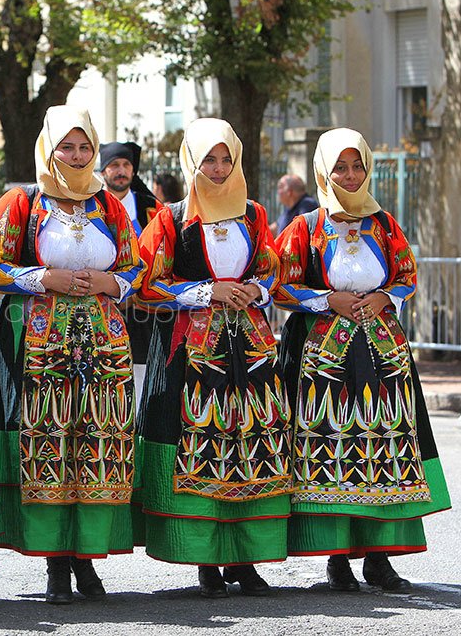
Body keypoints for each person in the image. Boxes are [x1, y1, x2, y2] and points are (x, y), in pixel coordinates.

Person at [275, 128, 451, 593]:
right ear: (323, 171)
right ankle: (336, 558)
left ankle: (379, 557)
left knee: (383, 448)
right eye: (340, 167)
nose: (350, 175)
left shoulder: (385, 224)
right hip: (322, 359)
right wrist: (325, 299)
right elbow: (281, 285)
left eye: (357, 166)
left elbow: (408, 274)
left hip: (382, 352)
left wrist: (386, 296)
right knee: (331, 449)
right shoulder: (306, 227)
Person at [0, 105, 144, 604]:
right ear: (48, 150)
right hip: (40, 345)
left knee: (97, 445)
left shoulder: (109, 206)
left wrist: (109, 281)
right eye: (66, 147)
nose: (76, 157)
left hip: (103, 345)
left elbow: (139, 267)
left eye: (84, 147)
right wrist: (42, 278)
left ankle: (88, 560)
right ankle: (55, 565)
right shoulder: (22, 203)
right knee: (49, 446)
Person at [135, 118, 292, 598]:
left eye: (226, 158)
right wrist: (206, 291)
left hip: (251, 348)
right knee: (200, 444)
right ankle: (205, 558)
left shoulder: (254, 215)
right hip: (192, 349)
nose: (219, 168)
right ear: (192, 162)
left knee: (252, 445)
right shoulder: (171, 217)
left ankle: (245, 559)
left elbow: (271, 269)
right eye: (209, 158)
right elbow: (146, 284)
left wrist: (254, 288)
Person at [100, 141, 161, 380]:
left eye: (126, 164)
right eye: (114, 165)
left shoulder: (152, 209)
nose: (121, 170)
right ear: (103, 171)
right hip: (104, 306)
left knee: (141, 376)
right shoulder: (92, 204)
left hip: (144, 311)